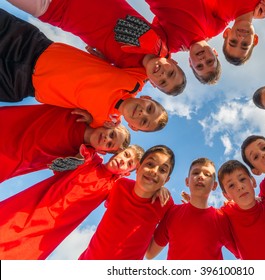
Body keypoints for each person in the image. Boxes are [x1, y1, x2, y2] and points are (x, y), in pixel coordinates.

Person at [0, 9, 168, 132]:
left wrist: (91, 121)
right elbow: (158, 62)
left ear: (133, 127)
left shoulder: (101, 123)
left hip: (18, 84)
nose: (142, 113)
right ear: (147, 98)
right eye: (150, 109)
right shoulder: (135, 80)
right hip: (33, 45)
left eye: (144, 121)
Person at [5, 0, 187, 96]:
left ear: (154, 85)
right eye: (171, 73)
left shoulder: (131, 76)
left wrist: (109, 122)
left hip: (53, 9)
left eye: (162, 82)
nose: (163, 75)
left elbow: (121, 102)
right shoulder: (164, 39)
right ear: (174, 61)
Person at [0, 144, 145, 260]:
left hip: (47, 232)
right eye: (125, 155)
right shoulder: (90, 159)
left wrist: (156, 188)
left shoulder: (112, 187)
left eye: (129, 164)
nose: (123, 161)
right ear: (118, 152)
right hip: (30, 209)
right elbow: (84, 143)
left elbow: (132, 198)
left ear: (126, 173)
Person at [79, 145, 175, 259]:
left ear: (166, 180)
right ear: (138, 167)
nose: (154, 171)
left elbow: (150, 253)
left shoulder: (165, 204)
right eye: (150, 164)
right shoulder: (120, 185)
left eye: (162, 170)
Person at [144, 0, 265, 84]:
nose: (202, 59)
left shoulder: (169, 46)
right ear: (215, 53)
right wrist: (256, 12)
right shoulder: (216, 27)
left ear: (190, 63)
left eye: (199, 66)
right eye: (209, 61)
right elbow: (233, 13)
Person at [0, 104, 130, 184]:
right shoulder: (81, 111)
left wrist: (79, 160)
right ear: (107, 124)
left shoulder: (83, 155)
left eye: (109, 145)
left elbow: (65, 170)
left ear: (102, 151)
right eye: (112, 134)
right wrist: (96, 117)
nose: (107, 139)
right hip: (10, 124)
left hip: (10, 160)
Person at [145, 158, 239, 260]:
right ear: (187, 181)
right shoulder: (172, 213)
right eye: (196, 172)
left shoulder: (222, 219)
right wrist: (154, 191)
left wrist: (242, 208)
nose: (200, 176)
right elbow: (149, 253)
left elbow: (243, 253)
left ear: (214, 185)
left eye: (207, 174)